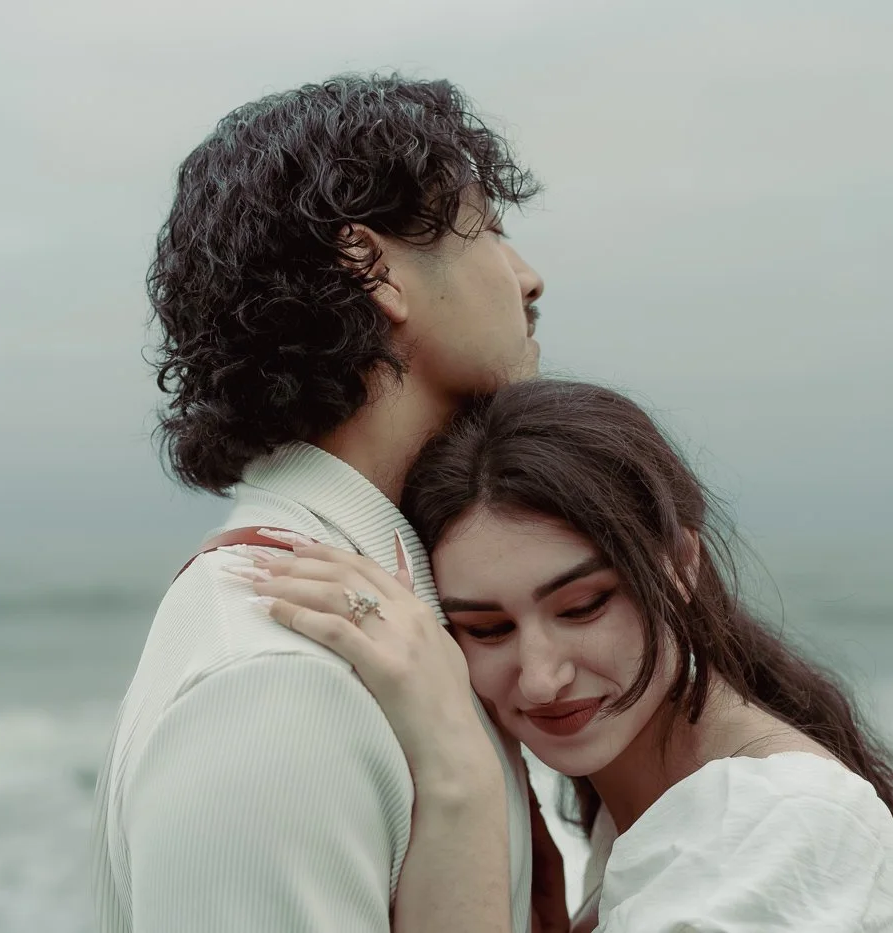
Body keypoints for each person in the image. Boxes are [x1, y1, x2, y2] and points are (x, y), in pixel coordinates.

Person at [90, 73, 556, 933]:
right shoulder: (278, 684)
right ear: (371, 264)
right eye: (488, 226)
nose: (529, 278)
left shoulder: (407, 623)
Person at [233, 379, 893, 932]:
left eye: (582, 607)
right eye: (486, 629)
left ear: (680, 565)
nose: (542, 676)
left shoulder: (780, 827)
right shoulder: (654, 807)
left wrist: (461, 775)